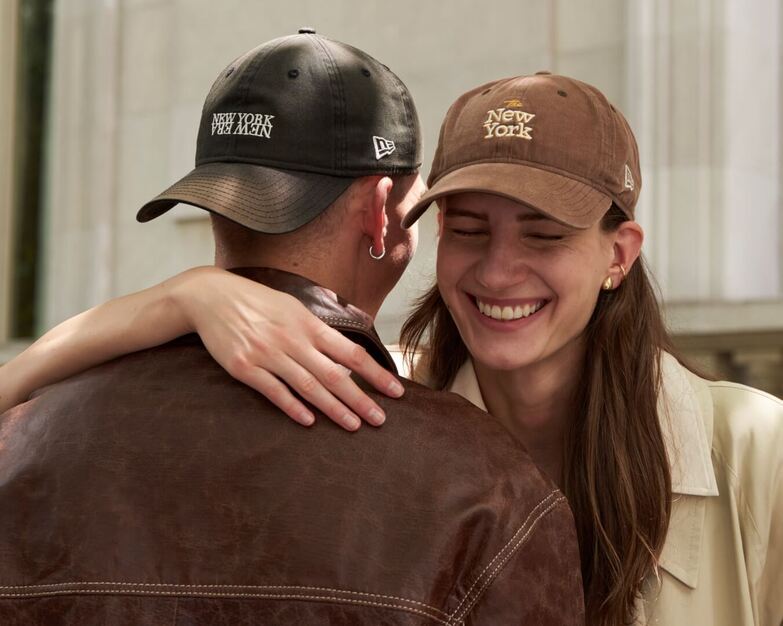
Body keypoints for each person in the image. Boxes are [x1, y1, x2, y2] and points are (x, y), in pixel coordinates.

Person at [2, 69, 781, 626]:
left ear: (619, 254)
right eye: (466, 231)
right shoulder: (368, 402)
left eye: (542, 235)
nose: (499, 270)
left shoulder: (755, 454)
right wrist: (180, 296)